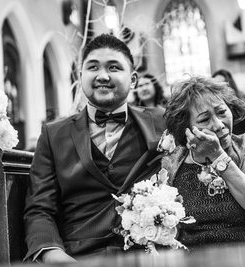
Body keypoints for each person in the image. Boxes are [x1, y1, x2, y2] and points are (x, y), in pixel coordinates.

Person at [24, 34, 166, 263]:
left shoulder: (162, 122)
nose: (102, 76)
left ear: (134, 80)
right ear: (80, 76)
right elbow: (40, 209)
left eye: (113, 67)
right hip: (78, 255)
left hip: (151, 253)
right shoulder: (53, 134)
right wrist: (53, 254)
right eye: (92, 67)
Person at [162, 76, 245, 248]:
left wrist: (218, 157)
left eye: (222, 112)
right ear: (186, 128)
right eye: (204, 120)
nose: (219, 125)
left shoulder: (244, 145)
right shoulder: (173, 161)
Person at [212, 69, 245, 135]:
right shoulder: (213, 108)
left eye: (221, 84)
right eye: (215, 84)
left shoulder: (243, 107)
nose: (218, 88)